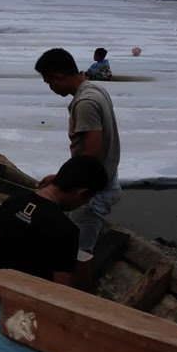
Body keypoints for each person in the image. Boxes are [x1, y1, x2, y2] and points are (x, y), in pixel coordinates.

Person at [35, 48, 122, 252]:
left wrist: (61, 182)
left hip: (90, 191)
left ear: (58, 76)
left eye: (49, 82)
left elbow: (91, 154)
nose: (51, 88)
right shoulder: (94, 89)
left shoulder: (85, 103)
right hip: (105, 179)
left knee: (77, 252)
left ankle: (72, 283)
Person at [0, 156, 108, 290]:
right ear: (82, 193)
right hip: (33, 297)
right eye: (87, 200)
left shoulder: (12, 202)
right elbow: (60, 288)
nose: (83, 204)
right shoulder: (66, 230)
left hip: (1, 283)